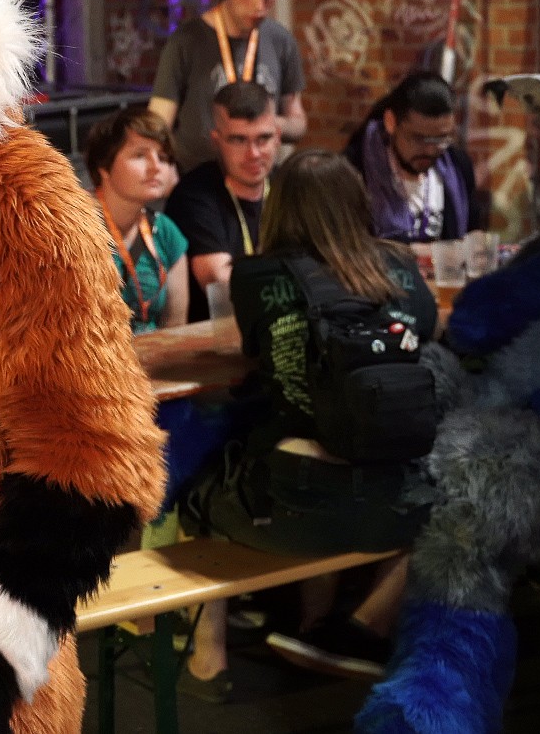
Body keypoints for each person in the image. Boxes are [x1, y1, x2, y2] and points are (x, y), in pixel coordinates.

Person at [180, 150, 437, 693]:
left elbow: (254, 352)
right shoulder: (401, 266)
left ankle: (208, 659)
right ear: (357, 203)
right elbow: (427, 331)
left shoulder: (256, 275)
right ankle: (332, 628)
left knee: (196, 493)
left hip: (292, 508)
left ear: (283, 207)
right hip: (396, 506)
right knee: (440, 504)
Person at [150, 0, 307, 173]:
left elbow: (298, 122)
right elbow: (157, 125)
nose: (259, 7)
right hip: (198, 178)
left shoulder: (281, 41)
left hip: (258, 178)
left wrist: (267, 124)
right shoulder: (186, 42)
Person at [166, 81, 280, 322]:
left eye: (264, 138)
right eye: (238, 140)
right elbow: (219, 282)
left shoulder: (289, 184)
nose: (254, 153)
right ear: (216, 141)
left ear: (277, 137)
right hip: (216, 334)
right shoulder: (193, 194)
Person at [343, 70, 486, 243]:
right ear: (391, 122)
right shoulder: (355, 169)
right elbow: (345, 246)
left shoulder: (457, 165)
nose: (430, 150)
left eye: (441, 139)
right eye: (418, 139)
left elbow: (472, 231)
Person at [84, 105, 190, 332]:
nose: (156, 167)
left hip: (154, 352)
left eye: (163, 157)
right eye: (140, 155)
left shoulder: (165, 231)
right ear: (104, 166)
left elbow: (175, 329)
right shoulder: (74, 228)